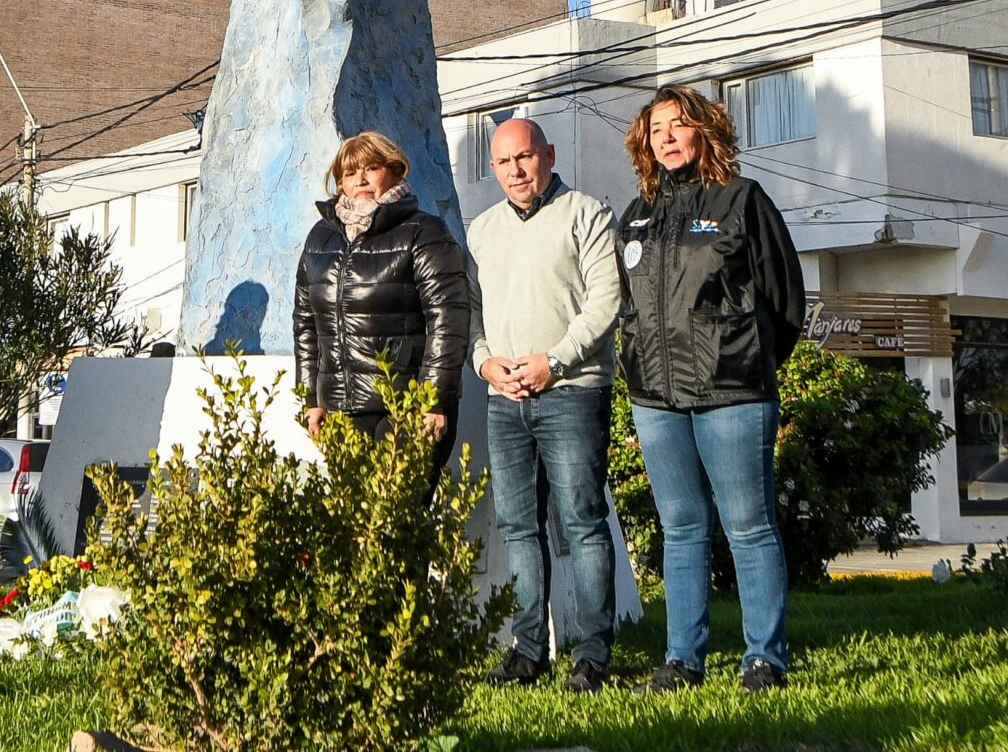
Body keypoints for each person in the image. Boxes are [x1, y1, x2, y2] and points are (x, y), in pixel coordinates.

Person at [617, 84, 806, 694]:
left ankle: (764, 660)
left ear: (704, 130)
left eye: (678, 125)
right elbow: (627, 304)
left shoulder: (742, 201)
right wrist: (632, 357)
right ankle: (682, 660)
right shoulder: (638, 212)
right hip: (655, 399)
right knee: (682, 528)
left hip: (733, 392)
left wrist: (746, 357)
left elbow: (785, 302)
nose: (666, 137)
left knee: (748, 526)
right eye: (656, 129)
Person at [467, 116, 624, 694]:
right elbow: (471, 314)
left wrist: (552, 362)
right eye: (505, 162)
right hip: (504, 400)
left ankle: (592, 654)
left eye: (526, 157)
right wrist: (486, 362)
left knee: (581, 524)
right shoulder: (481, 230)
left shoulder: (587, 214)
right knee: (517, 528)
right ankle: (529, 650)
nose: (517, 170)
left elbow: (606, 303)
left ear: (548, 155)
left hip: (571, 393)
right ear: (493, 168)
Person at [291, 130, 468, 464]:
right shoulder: (320, 239)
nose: (360, 178)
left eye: (370, 168)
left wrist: (434, 399)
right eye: (349, 172)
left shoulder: (425, 232)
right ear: (339, 183)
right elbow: (305, 324)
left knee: (401, 514)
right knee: (354, 516)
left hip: (405, 407)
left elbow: (448, 320)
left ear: (394, 171)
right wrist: (311, 397)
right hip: (341, 409)